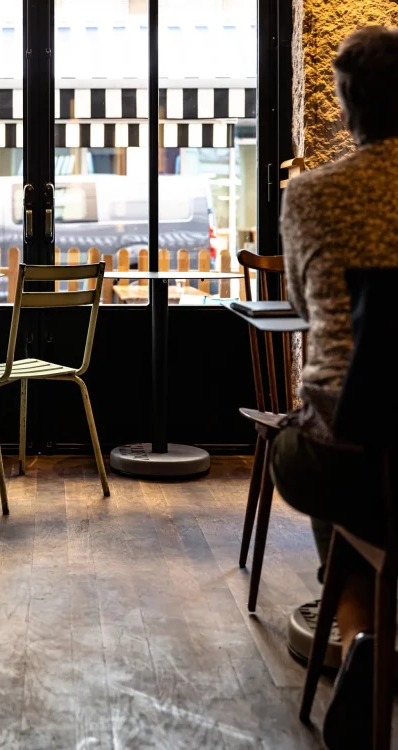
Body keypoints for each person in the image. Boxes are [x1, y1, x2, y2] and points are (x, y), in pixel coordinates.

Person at [272, 25, 398, 750]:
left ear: (347, 111)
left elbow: (300, 307)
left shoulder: (311, 195)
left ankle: (359, 637)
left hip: (346, 450)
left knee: (322, 441)